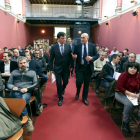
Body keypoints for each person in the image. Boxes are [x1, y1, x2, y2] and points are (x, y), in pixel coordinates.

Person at [7, 56, 38, 132]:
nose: (23, 64)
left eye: (24, 62)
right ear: (18, 64)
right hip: (15, 91)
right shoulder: (14, 72)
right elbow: (9, 83)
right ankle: (26, 118)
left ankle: (17, 119)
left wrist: (27, 89)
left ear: (27, 63)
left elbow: (36, 84)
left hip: (26, 91)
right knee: (17, 96)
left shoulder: (32, 72)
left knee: (21, 100)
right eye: (21, 63)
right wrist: (13, 87)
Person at [72, 33, 98, 105]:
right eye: (81, 38)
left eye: (83, 38)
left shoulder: (92, 46)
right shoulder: (77, 46)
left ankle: (84, 98)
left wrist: (92, 58)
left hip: (88, 67)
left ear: (87, 38)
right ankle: (77, 92)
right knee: (79, 82)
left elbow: (97, 55)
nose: (82, 39)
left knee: (86, 84)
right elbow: (74, 54)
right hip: (80, 67)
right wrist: (74, 56)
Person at [49, 32, 74, 106]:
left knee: (66, 82)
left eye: (65, 38)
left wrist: (72, 66)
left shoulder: (68, 45)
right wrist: (51, 69)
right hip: (57, 68)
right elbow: (51, 59)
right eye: (62, 38)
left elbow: (70, 56)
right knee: (58, 83)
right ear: (58, 39)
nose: (64, 39)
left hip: (66, 67)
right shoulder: (54, 47)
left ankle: (63, 88)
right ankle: (60, 98)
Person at [115, 62, 140, 132]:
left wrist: (138, 94)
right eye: (131, 68)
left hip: (134, 94)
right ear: (127, 68)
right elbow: (119, 87)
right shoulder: (123, 75)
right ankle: (125, 122)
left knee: (137, 103)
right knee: (130, 104)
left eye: (135, 68)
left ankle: (138, 117)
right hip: (120, 93)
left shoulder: (138, 75)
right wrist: (131, 94)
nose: (133, 70)